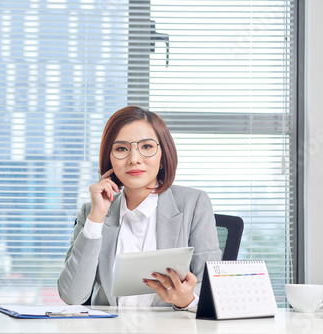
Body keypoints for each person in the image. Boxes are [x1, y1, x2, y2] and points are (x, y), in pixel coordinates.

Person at [57, 106, 221, 310]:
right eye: (121, 149)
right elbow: (72, 296)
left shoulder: (194, 203)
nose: (134, 159)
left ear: (163, 155)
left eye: (146, 146)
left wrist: (185, 300)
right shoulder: (91, 212)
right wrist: (96, 219)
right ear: (110, 158)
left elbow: (212, 287)